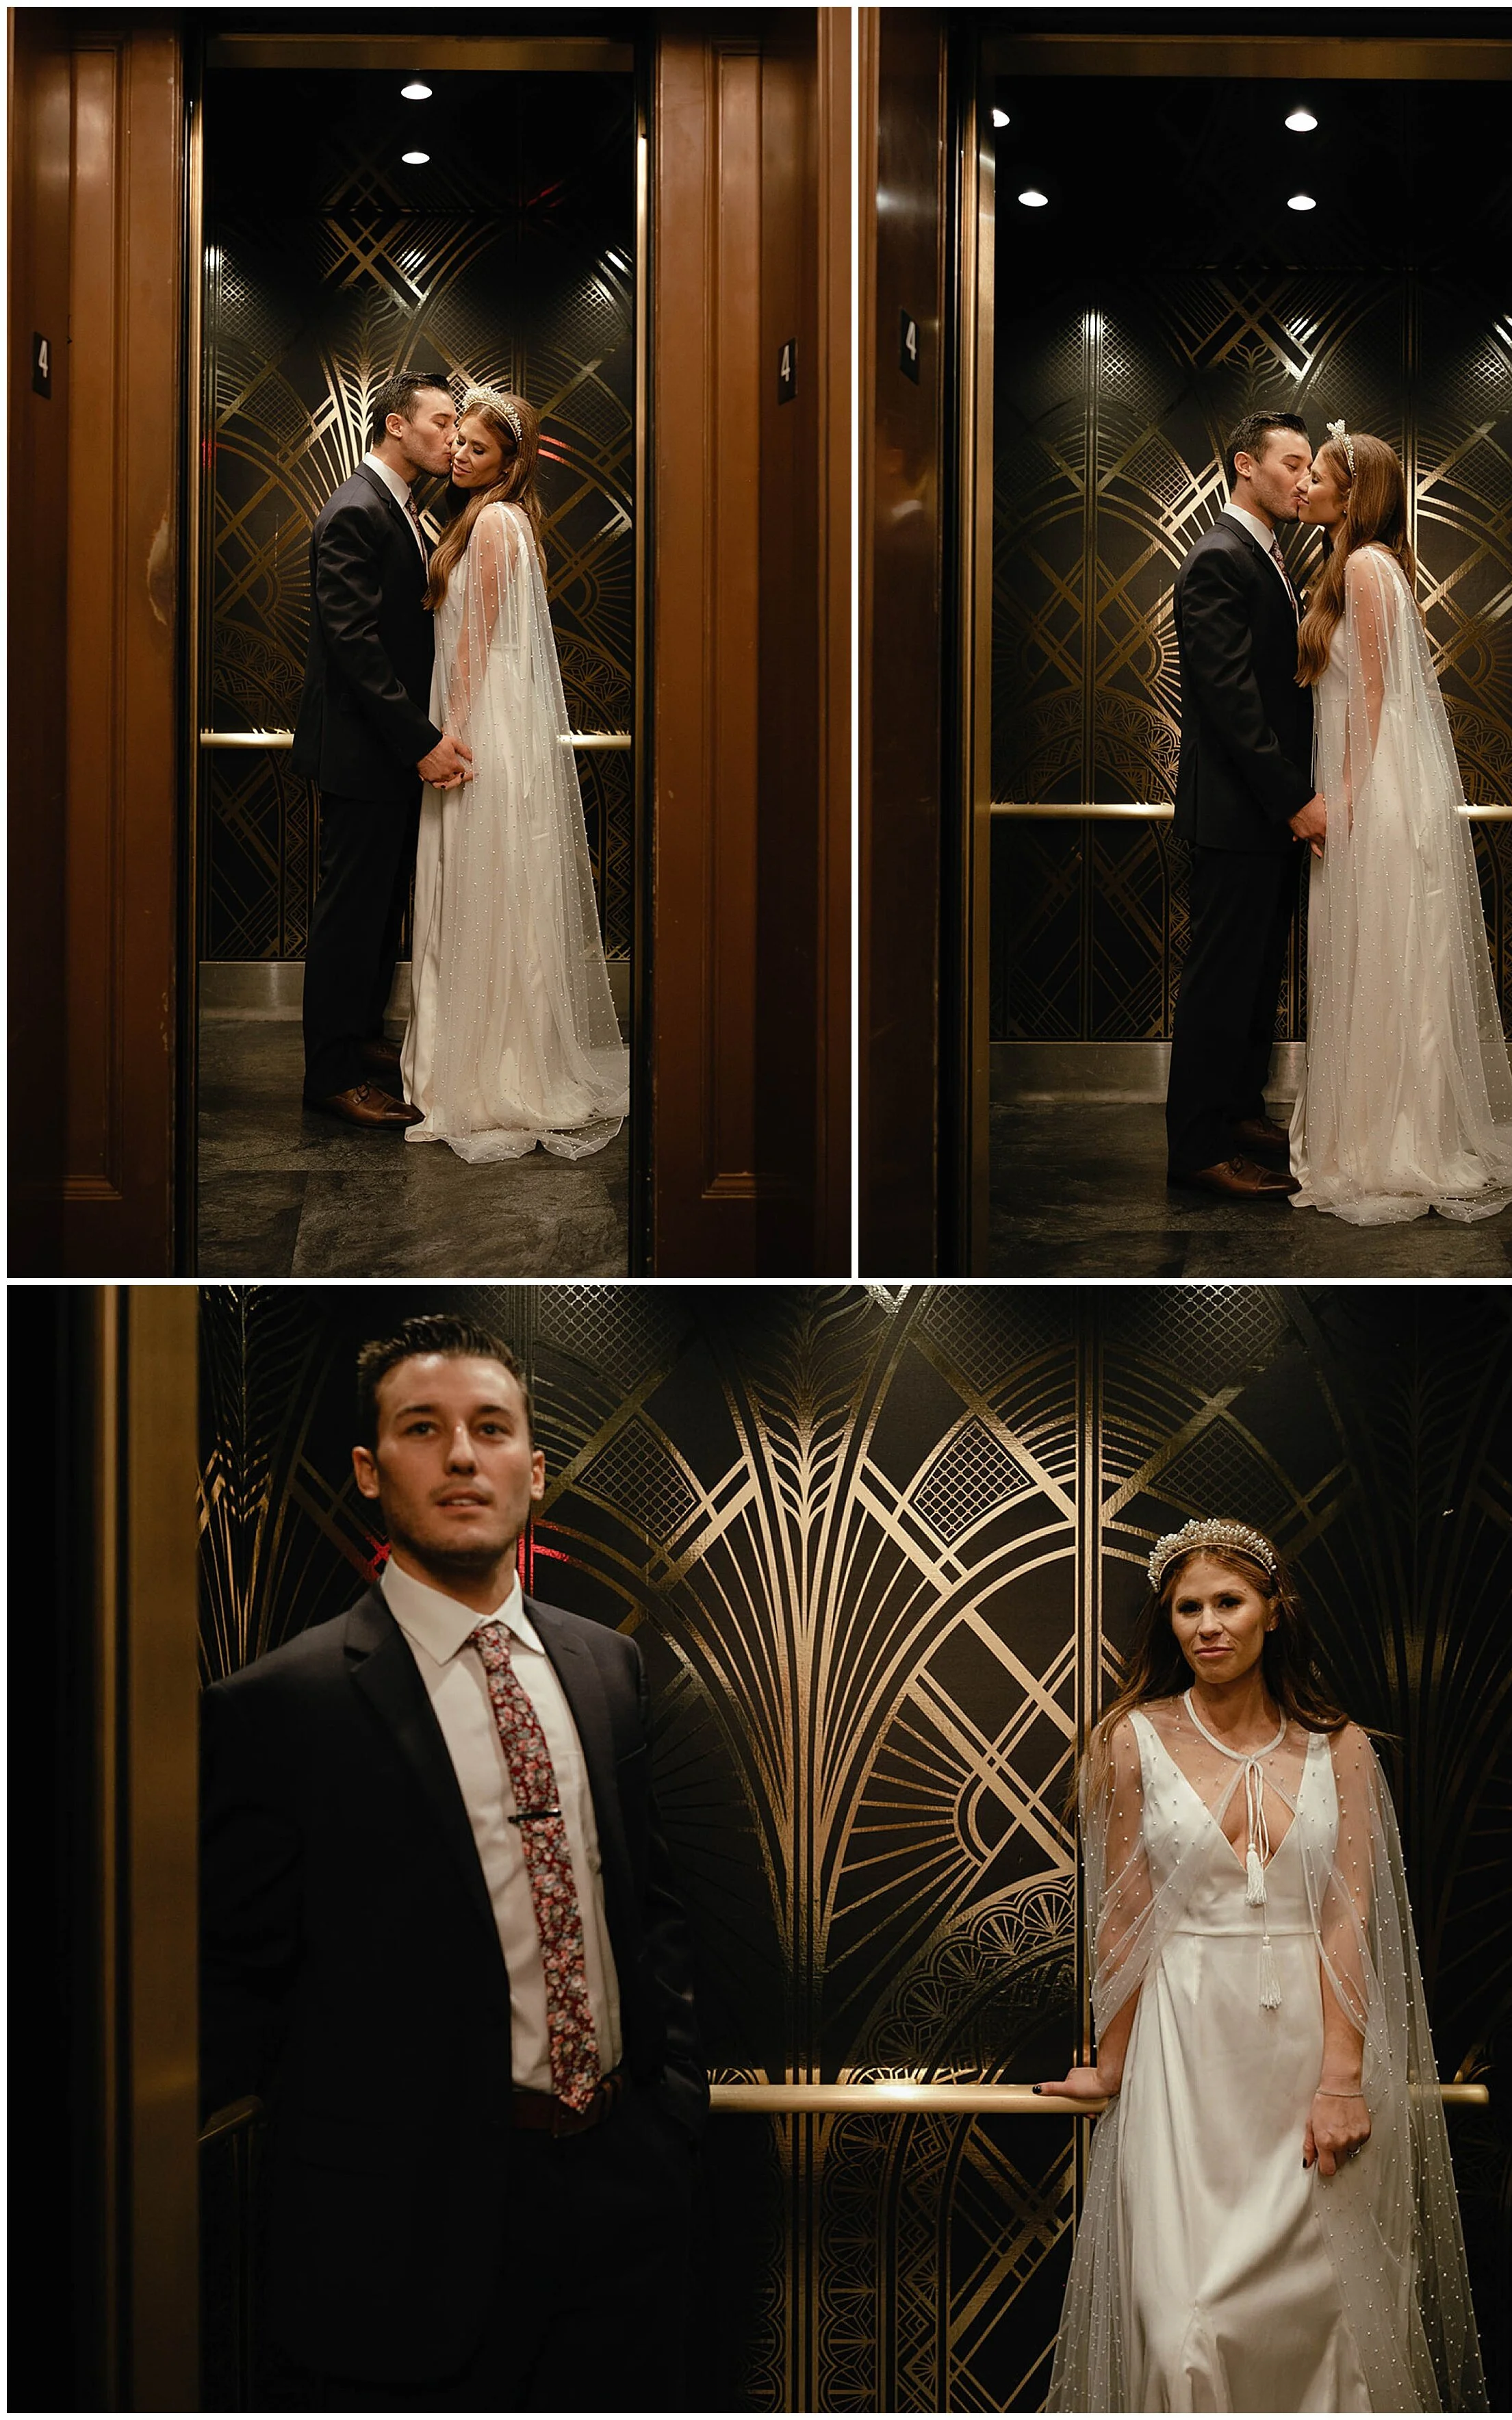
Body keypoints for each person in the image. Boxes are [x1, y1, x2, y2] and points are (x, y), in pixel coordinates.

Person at [200, 1314, 704, 2411]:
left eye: (490, 1427)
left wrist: (669, 2121)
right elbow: (243, 1985)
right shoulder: (284, 1704)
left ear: (533, 1464)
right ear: (371, 1472)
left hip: (624, 2189)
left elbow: (647, 1902)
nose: (464, 1456)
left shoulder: (605, 1663)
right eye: (424, 1430)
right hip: (404, 2227)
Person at [1038, 1518, 1486, 2413]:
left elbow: (1348, 1914)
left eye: (1229, 1601)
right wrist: (1111, 2058)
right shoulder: (1129, 1738)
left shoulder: (1342, 1745)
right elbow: (1123, 1912)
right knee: (1182, 2325)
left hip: (1305, 2067)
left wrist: (1345, 2078)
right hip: (1185, 2058)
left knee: (1327, 2321)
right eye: (1187, 1607)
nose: (1208, 1622)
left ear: (1272, 1611)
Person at [1288, 425, 1512, 1223]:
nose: (1304, 487)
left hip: (1375, 791)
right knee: (1386, 956)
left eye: (1317, 475)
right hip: (1387, 786)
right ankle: (1391, 1126)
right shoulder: (1375, 566)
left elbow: (1369, 697)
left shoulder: (1362, 567)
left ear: (1350, 494)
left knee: (1375, 953)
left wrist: (1346, 798)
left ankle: (1384, 1138)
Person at [401, 387, 628, 1162]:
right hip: (485, 712)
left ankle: (489, 1066)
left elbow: (475, 640)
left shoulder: (496, 522)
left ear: (511, 464)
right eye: (458, 442)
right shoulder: (487, 518)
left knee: (482, 883)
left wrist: (451, 733)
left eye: (477, 449)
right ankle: (467, 1053)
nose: (460, 456)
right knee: (477, 882)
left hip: (480, 717)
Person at [292, 372, 473, 1130]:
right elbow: (356, 648)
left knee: (377, 913)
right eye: (440, 422)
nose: (452, 436)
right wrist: (423, 741)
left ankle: (360, 1036)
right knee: (351, 916)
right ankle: (331, 1075)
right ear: (396, 425)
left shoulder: (401, 509)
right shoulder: (355, 509)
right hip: (366, 754)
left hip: (386, 756)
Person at [1165, 411, 1328, 1201]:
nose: (1305, 479)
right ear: (1244, 466)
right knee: (1219, 981)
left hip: (1259, 817)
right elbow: (1231, 704)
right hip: (1239, 813)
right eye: (1292, 464)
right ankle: (1196, 1146)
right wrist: (1294, 798)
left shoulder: (1266, 556)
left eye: (1309, 468)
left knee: (1256, 978)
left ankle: (1236, 1112)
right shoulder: (1217, 559)